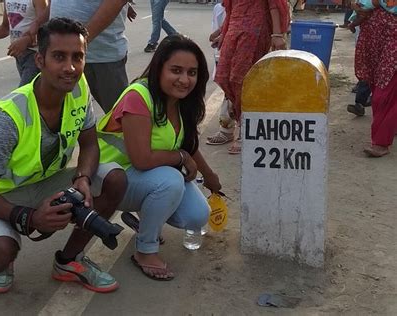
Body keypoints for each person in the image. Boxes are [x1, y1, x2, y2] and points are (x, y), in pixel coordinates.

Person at [0, 18, 127, 294]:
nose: (70, 67)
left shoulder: (79, 88)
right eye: (59, 57)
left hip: (46, 183)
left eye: (78, 57)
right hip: (0, 195)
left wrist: (83, 178)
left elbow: (89, 145)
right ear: (39, 60)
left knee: (115, 178)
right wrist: (29, 218)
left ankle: (68, 261)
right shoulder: (10, 114)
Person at [97, 34, 222, 280]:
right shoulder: (139, 96)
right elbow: (142, 159)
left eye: (192, 72)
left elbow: (188, 144)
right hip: (108, 178)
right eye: (176, 70)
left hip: (141, 178)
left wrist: (210, 176)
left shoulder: (181, 102)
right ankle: (145, 250)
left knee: (197, 216)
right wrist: (182, 157)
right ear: (159, 68)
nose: (184, 80)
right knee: (171, 180)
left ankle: (146, 217)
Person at [211, 0, 290, 154]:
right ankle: (231, 125)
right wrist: (222, 32)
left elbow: (274, 5)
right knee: (224, 77)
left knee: (242, 81)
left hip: (255, 30)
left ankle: (245, 131)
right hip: (233, 29)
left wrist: (277, 34)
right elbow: (231, 8)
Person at [49, 0, 130, 113]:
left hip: (102, 56)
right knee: (67, 116)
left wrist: (80, 42)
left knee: (118, 117)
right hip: (60, 53)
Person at [353, 1, 397, 157]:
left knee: (383, 91)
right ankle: (389, 127)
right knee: (376, 83)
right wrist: (356, 7)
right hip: (374, 36)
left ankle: (380, 142)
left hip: (392, 35)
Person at [0, 0, 48, 87]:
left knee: (23, 95)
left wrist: (26, 40)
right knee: (33, 94)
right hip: (19, 56)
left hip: (34, 55)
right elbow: (5, 27)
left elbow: (46, 28)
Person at [206, 0, 237, 147]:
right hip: (228, 46)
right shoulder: (221, 7)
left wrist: (276, 34)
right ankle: (227, 128)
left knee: (240, 85)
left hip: (250, 38)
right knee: (228, 86)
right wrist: (220, 34)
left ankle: (241, 132)